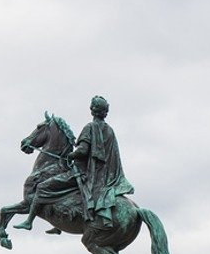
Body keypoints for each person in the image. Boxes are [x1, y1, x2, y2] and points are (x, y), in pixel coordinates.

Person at [15, 96, 133, 231]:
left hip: (84, 173)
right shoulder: (110, 131)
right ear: (105, 111)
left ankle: (29, 221)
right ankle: (57, 225)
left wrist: (70, 155)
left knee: (42, 187)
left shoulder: (90, 127)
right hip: (102, 177)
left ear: (92, 110)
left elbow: (83, 150)